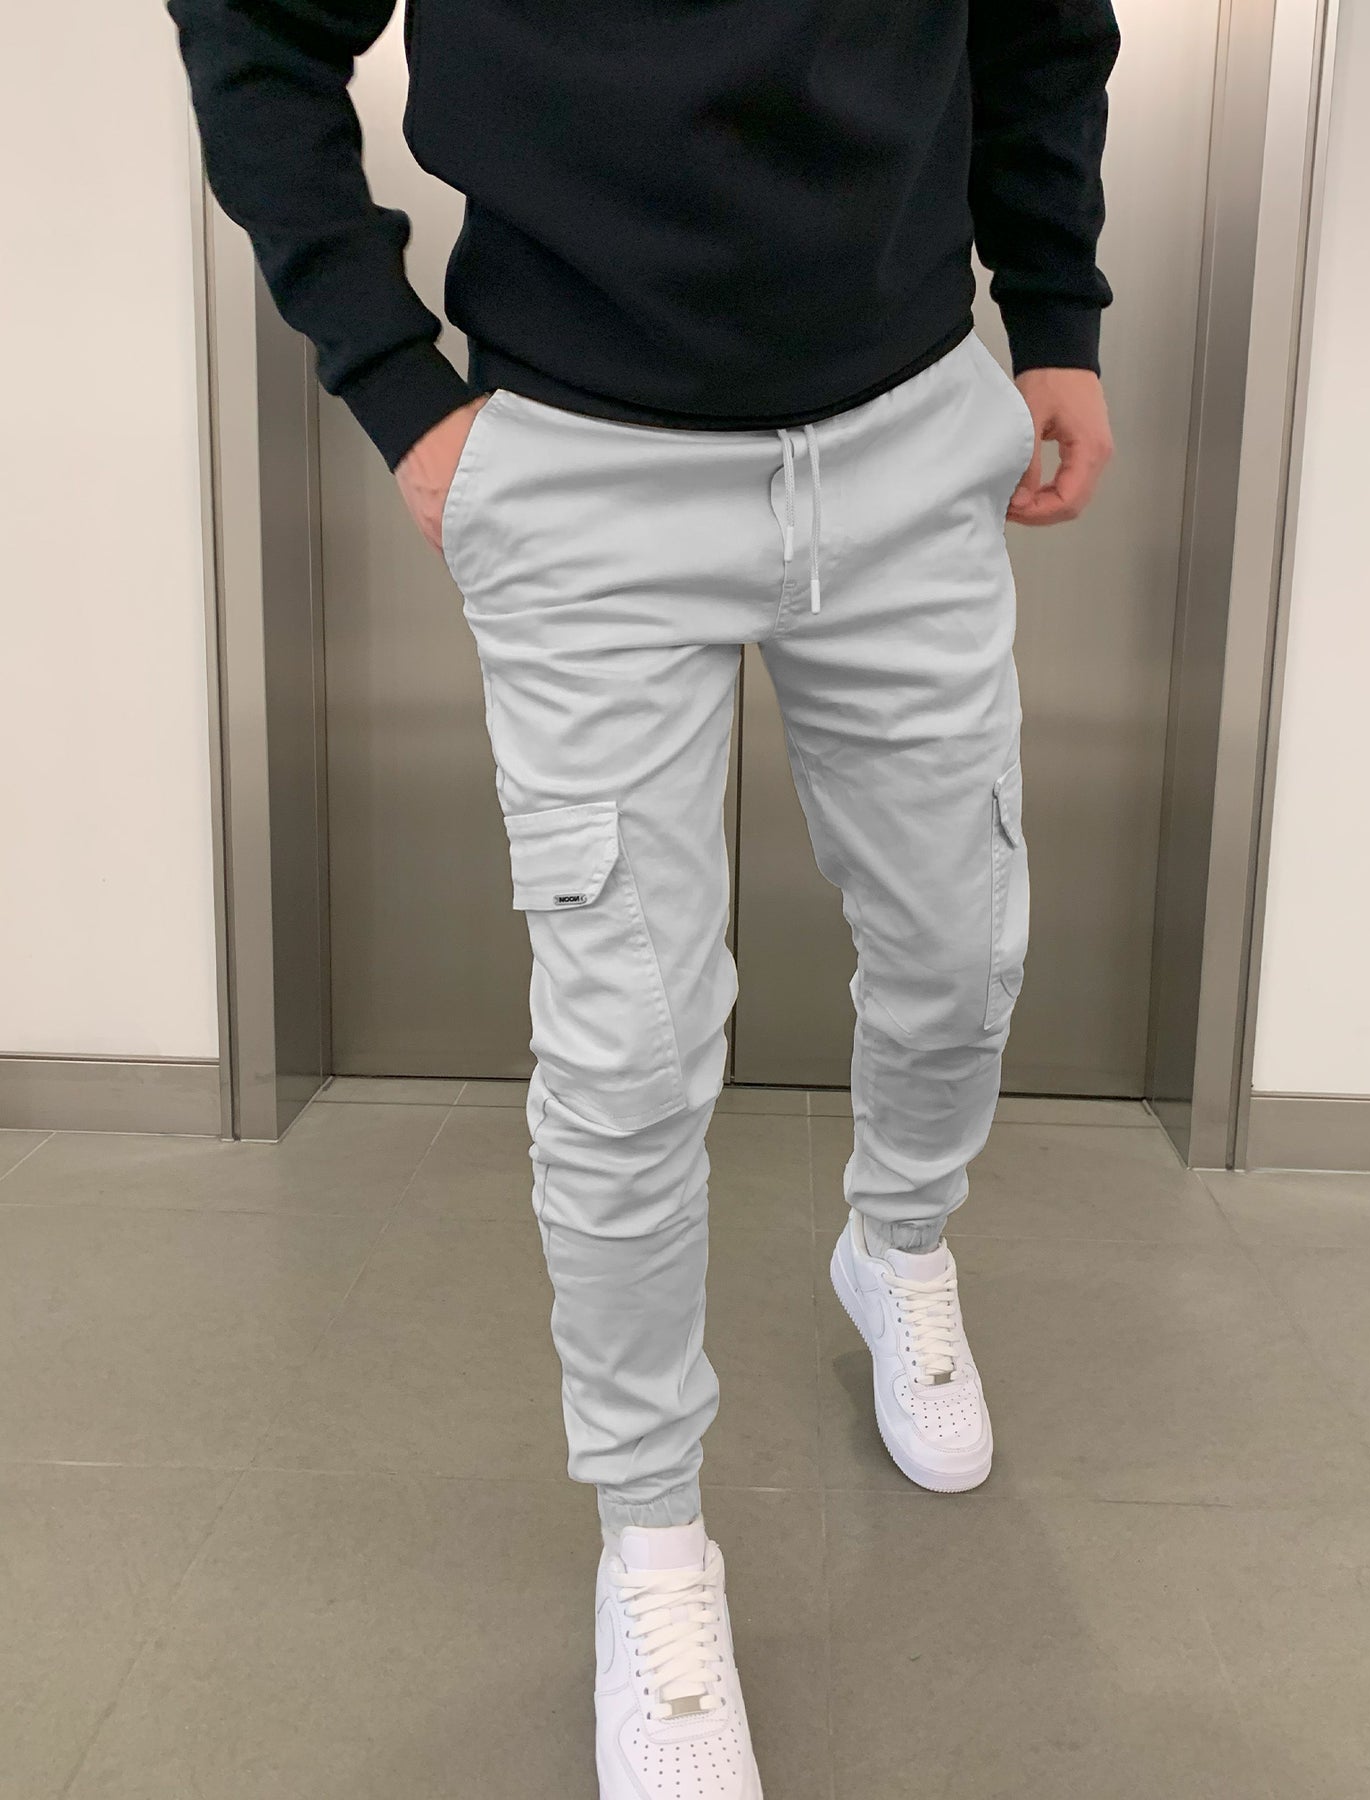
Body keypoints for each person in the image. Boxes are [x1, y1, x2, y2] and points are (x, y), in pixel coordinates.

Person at [168, 1, 1119, 1791]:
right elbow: (253, 28)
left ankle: (897, 1243)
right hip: (583, 467)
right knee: (628, 1051)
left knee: (963, 941)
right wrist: (395, 384)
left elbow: (1040, 18)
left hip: (910, 433)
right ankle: (653, 1539)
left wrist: (1054, 306)